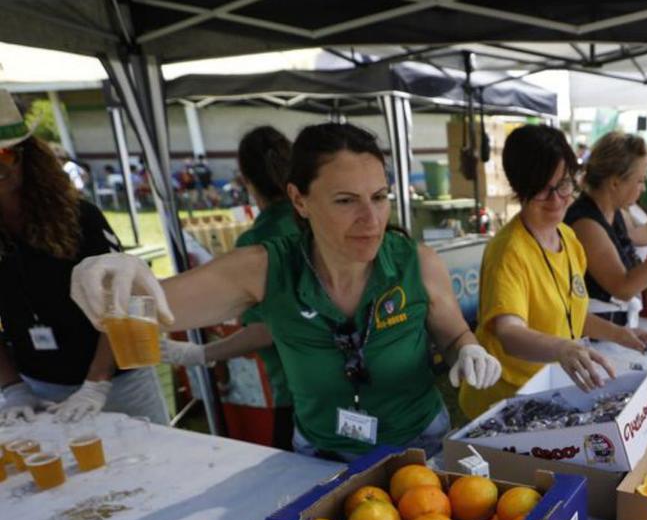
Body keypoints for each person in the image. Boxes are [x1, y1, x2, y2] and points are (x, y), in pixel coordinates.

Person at [71, 122, 501, 460]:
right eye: (346, 201)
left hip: (419, 445)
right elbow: (152, 306)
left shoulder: (416, 261)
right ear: (299, 200)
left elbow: (451, 331)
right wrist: (114, 277)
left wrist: (468, 348)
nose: (370, 219)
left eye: (380, 196)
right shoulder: (266, 267)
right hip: (319, 453)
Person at [459, 125, 647, 419]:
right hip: (505, 402)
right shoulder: (509, 251)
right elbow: (510, 332)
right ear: (520, 188)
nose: (556, 200)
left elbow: (569, 316)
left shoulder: (568, 237)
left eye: (563, 185)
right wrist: (563, 348)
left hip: (547, 390)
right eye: (542, 189)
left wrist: (621, 335)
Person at [0, 89, 169, 426]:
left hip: (118, 383)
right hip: (39, 388)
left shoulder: (80, 218)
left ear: (24, 156)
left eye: (3, 155)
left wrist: (96, 383)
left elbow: (120, 302)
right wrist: (12, 387)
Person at [159, 126, 301, 449]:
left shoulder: (257, 243)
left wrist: (202, 352)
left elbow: (267, 328)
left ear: (246, 181)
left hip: (296, 392)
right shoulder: (313, 223)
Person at [565, 132, 647, 317]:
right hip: (595, 333)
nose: (643, 188)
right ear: (615, 183)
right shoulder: (586, 225)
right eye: (640, 180)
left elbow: (646, 232)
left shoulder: (614, 210)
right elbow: (623, 287)